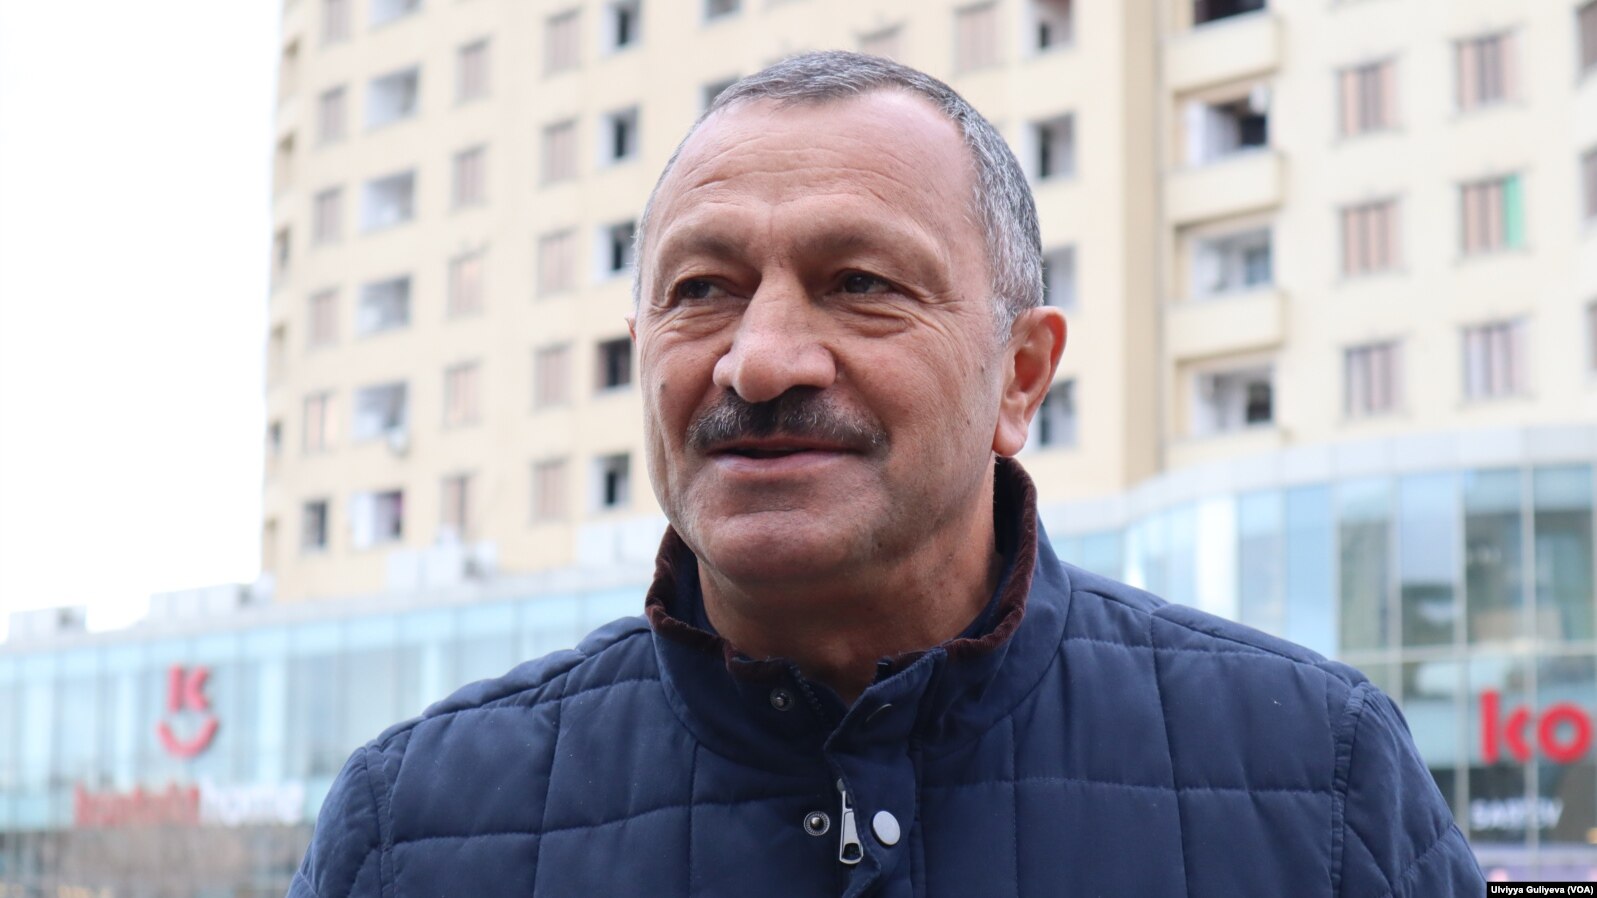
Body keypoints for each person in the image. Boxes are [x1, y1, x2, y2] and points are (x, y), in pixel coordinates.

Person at [288, 51, 1484, 897]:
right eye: (702, 289)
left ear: (1020, 375)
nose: (759, 360)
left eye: (859, 283)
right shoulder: (412, 832)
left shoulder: (1324, 785)